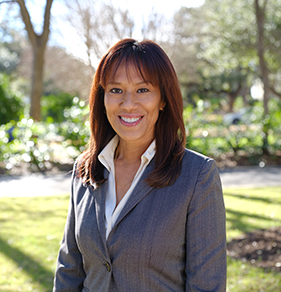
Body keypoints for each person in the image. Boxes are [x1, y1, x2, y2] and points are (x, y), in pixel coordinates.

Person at [53, 38, 226, 292]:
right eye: (116, 90)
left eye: (143, 90)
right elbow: (69, 270)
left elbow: (206, 286)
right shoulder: (85, 169)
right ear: (102, 98)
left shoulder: (198, 176)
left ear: (163, 99)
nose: (128, 103)